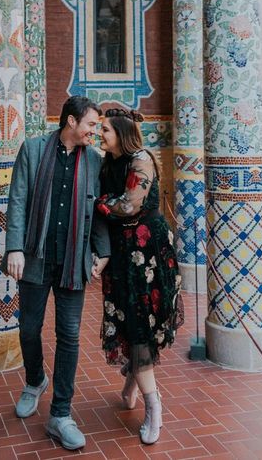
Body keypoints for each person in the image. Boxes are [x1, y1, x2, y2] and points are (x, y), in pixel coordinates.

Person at [5, 96, 110, 451]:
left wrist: (103, 252)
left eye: (96, 127)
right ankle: (35, 379)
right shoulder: (33, 151)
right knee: (29, 328)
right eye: (91, 125)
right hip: (35, 257)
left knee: (69, 335)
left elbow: (98, 212)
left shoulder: (94, 162)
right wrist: (14, 247)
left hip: (72, 262)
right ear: (71, 122)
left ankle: (61, 414)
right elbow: (18, 200)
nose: (93, 131)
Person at [96, 107, 183, 445]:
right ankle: (134, 378)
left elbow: (130, 204)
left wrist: (99, 203)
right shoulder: (108, 162)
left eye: (105, 130)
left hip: (146, 252)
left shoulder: (141, 159)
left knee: (139, 324)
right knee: (131, 321)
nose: (100, 135)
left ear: (121, 132)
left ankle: (154, 407)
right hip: (122, 252)